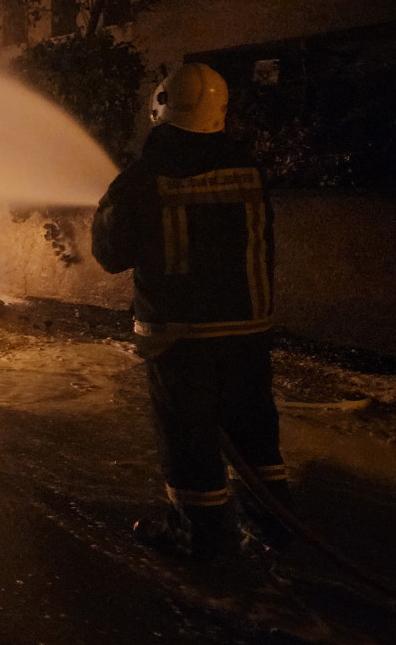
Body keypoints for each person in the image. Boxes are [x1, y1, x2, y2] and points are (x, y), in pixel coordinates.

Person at [91, 63, 290, 560]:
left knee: (189, 435)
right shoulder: (249, 169)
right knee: (253, 427)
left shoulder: (143, 178)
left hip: (179, 335)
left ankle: (198, 534)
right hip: (247, 329)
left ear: (161, 105)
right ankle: (274, 526)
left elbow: (111, 255)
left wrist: (111, 210)